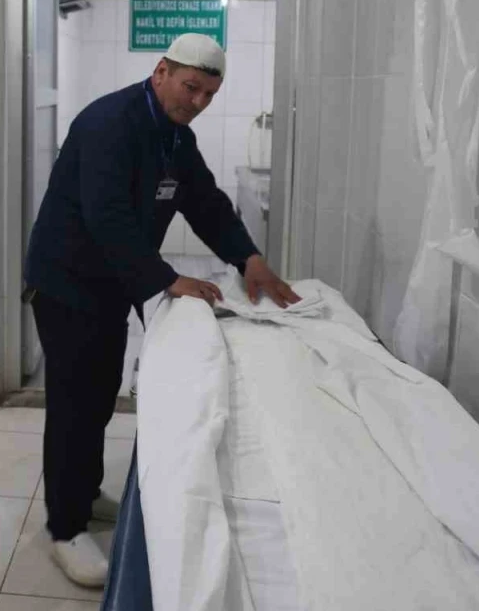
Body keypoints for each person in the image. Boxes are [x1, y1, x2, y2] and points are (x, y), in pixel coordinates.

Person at [22, 32, 300, 587]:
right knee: (76, 403)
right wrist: (168, 280)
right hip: (68, 283)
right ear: (161, 72)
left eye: (209, 95)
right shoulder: (109, 124)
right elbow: (106, 216)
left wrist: (249, 259)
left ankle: (82, 492)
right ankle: (64, 528)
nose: (197, 101)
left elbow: (206, 203)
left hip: (109, 284)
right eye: (191, 87)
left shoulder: (175, 138)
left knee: (99, 393)